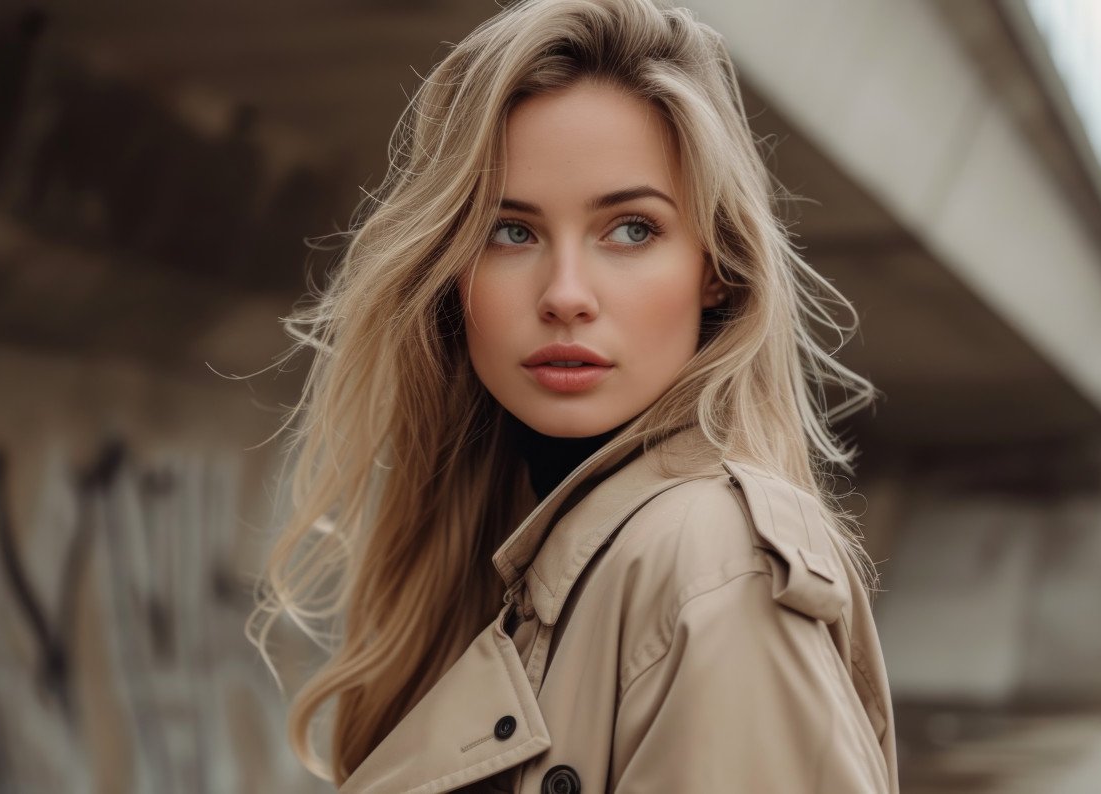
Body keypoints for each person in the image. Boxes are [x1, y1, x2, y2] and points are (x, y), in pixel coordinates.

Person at [249, 0, 898, 790]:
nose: (564, 295)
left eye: (631, 229)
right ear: (452, 273)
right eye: (511, 231)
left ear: (717, 269)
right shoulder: (514, 556)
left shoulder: (715, 570)